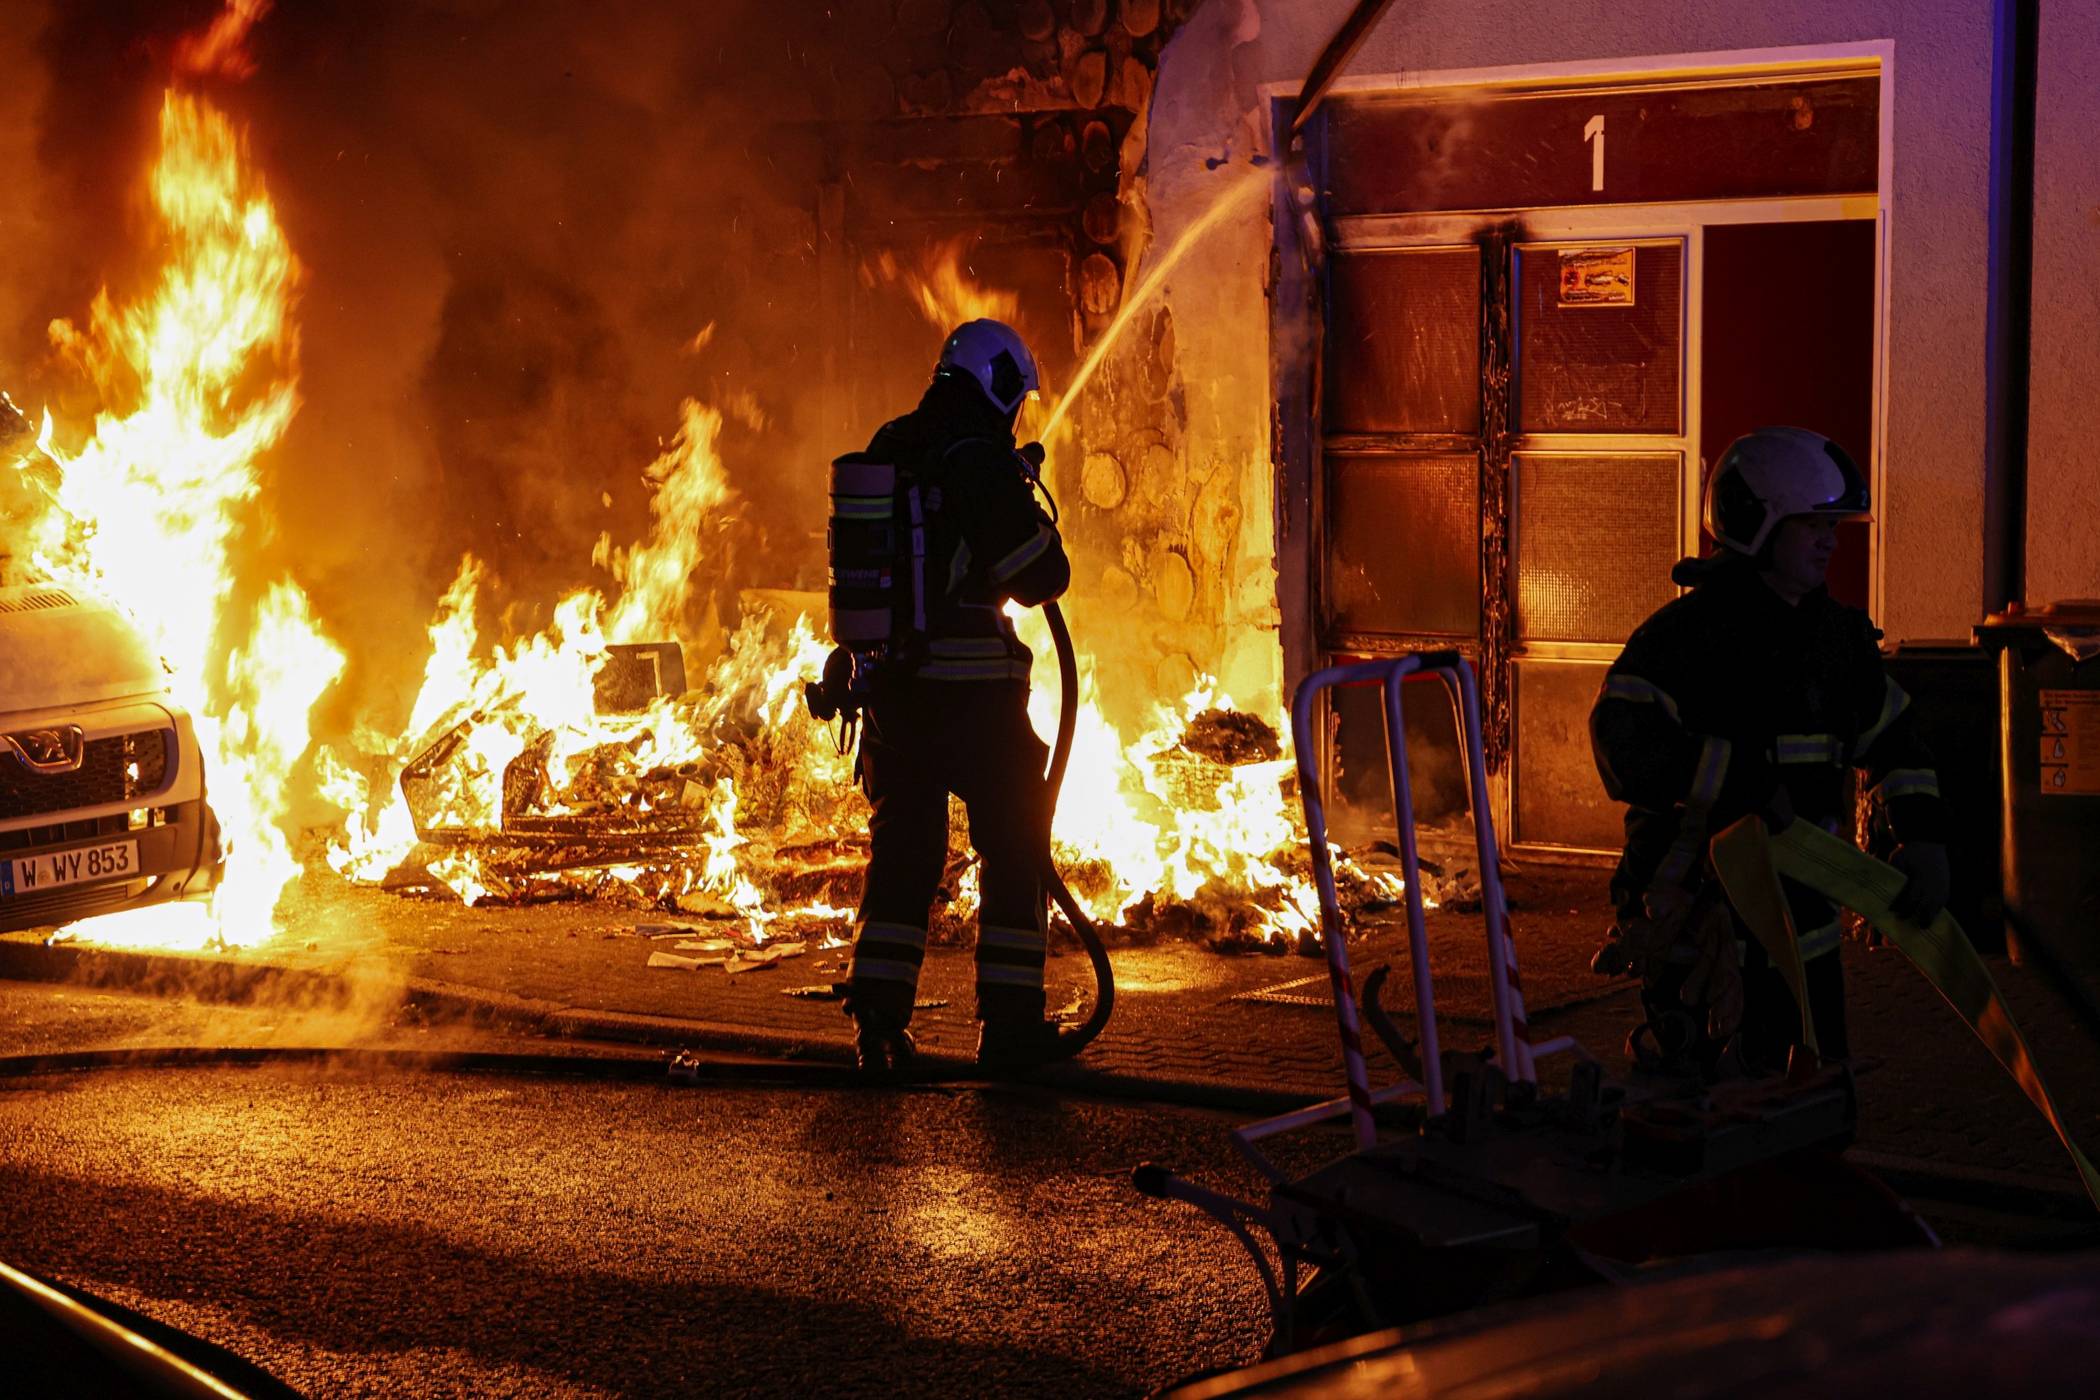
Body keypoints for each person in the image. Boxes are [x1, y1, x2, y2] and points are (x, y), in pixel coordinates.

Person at [1589, 426, 1949, 1073]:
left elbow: (1898, 739)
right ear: (1754, 522)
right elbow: (1621, 746)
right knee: (1708, 1121)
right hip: (1701, 922)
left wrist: (1922, 838)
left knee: (1814, 1099)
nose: (1828, 540)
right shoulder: (1684, 640)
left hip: (1803, 921)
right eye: (1810, 523)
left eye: (1832, 525)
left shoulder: (1835, 643)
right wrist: (1740, 784)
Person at [838, 319, 1071, 1075]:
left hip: (895, 700)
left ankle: (877, 1026)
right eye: (1017, 398)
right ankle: (1009, 1031)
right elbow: (1037, 576)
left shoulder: (892, 444)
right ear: (999, 384)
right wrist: (1027, 503)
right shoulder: (979, 458)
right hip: (974, 704)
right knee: (1014, 847)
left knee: (904, 854)